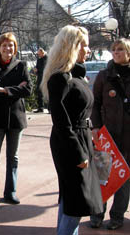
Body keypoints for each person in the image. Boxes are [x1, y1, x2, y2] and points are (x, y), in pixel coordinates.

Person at [40, 25, 103, 235]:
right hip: (70, 143)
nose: (88, 50)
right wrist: (79, 152)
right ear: (71, 48)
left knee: (70, 199)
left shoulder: (76, 76)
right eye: (84, 46)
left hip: (80, 139)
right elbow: (61, 122)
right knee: (76, 200)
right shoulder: (60, 78)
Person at [0, 32, 32, 208]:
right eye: (4, 45)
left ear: (15, 47)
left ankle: (10, 192)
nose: (7, 48)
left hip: (16, 118)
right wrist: (16, 88)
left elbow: (28, 90)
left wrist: (4, 90)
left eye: (11, 45)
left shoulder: (21, 65)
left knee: (13, 157)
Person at [90, 38, 130, 230]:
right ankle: (96, 215)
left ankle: (117, 217)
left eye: (121, 49)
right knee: (101, 178)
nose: (116, 53)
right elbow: (95, 104)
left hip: (128, 137)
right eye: (114, 50)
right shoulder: (104, 76)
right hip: (107, 136)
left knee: (123, 178)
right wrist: (96, 127)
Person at [34, 48, 48, 113]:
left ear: (42, 52)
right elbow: (37, 68)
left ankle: (50, 108)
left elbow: (44, 68)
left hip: (46, 77)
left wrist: (38, 70)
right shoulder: (39, 60)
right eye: (38, 54)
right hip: (40, 77)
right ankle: (40, 107)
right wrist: (35, 70)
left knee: (47, 92)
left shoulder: (47, 58)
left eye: (39, 54)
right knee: (39, 92)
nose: (38, 55)